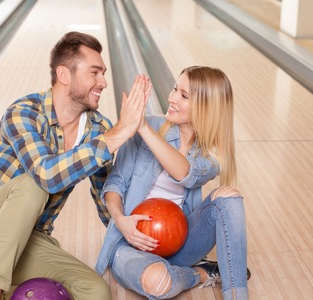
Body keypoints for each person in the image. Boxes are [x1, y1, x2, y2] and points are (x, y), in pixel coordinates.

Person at [0, 31, 151, 300]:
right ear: (64, 75)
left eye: (104, 73)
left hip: (31, 241)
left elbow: (105, 197)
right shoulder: (24, 112)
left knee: (96, 292)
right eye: (95, 72)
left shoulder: (99, 130)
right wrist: (119, 134)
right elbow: (46, 175)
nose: (104, 82)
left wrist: (130, 230)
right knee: (32, 184)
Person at [95, 66, 249, 300]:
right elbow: (115, 184)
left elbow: (184, 172)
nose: (171, 98)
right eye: (175, 89)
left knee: (229, 196)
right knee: (158, 283)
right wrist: (121, 220)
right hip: (130, 244)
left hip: (180, 244)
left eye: (184, 95)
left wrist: (142, 128)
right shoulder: (150, 126)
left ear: (206, 107)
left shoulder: (211, 154)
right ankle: (199, 274)